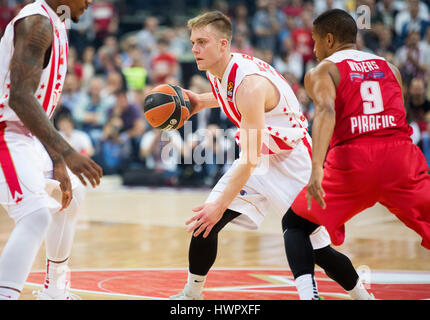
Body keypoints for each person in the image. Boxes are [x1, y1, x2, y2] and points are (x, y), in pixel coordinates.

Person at [170, 11, 373, 301]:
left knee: (320, 251)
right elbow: (230, 99)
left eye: (202, 42)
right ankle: (192, 293)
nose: (194, 49)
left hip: (291, 161)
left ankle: (364, 297)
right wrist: (201, 101)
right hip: (262, 158)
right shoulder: (220, 70)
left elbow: (249, 156)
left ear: (224, 44)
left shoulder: (249, 84)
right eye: (193, 42)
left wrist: (220, 206)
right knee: (206, 223)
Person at [291, 9, 430, 299]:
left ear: (329, 39)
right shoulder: (389, 67)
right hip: (400, 158)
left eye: (315, 41)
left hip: (355, 161)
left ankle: (308, 296)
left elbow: (326, 111)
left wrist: (317, 168)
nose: (314, 50)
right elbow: (396, 115)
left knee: (295, 224)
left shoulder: (323, 70)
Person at [0, 0, 102, 300]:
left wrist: (57, 159)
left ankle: (55, 290)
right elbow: (20, 97)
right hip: (6, 131)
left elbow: (42, 105)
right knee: (36, 216)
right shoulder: (36, 23)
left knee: (71, 195)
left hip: (29, 135)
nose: (90, 2)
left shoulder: (56, 23)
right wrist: (67, 150)